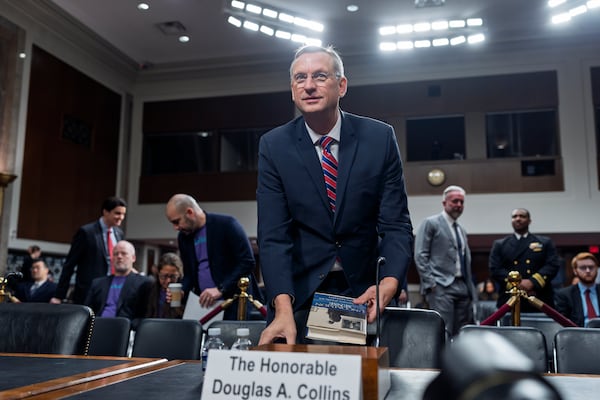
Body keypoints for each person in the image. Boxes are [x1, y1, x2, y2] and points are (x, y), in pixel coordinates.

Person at [256, 45, 413, 344]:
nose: (309, 85)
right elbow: (273, 235)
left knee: (353, 385)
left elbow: (396, 225)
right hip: (296, 293)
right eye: (300, 78)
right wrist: (281, 305)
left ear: (341, 85)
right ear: (292, 89)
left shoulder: (379, 138)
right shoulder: (273, 146)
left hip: (361, 292)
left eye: (320, 76)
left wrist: (389, 282)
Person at [165, 193, 260, 320]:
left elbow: (247, 262)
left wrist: (220, 289)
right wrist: (182, 290)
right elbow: (189, 274)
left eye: (177, 222)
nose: (175, 228)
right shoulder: (184, 237)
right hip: (204, 306)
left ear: (190, 212)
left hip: (234, 302)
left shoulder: (226, 224)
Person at [414, 185, 476, 336]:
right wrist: (431, 283)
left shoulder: (461, 229)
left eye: (461, 202)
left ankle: (457, 360)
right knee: (443, 330)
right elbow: (420, 255)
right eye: (455, 201)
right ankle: (441, 360)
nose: (459, 205)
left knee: (462, 331)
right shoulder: (431, 223)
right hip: (441, 285)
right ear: (444, 203)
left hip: (462, 286)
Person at [51, 196, 127, 305]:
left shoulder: (119, 234)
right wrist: (59, 295)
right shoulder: (86, 232)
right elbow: (70, 264)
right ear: (106, 212)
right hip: (89, 292)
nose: (121, 217)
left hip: (113, 291)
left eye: (123, 214)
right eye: (117, 213)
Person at [489, 208, 560, 312]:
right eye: (514, 216)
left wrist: (533, 282)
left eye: (522, 216)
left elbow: (552, 265)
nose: (518, 219)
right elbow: (495, 269)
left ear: (529, 221)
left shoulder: (544, 242)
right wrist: (517, 284)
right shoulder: (500, 244)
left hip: (538, 297)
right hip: (510, 299)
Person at [84, 241, 152, 320]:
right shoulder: (98, 283)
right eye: (116, 254)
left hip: (126, 328)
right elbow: (87, 310)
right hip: (97, 326)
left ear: (133, 258)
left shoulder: (144, 283)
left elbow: (146, 313)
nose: (119, 256)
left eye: (124, 253)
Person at [555, 252, 600, 327]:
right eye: (583, 268)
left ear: (597, 269)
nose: (588, 271)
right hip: (579, 334)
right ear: (575, 271)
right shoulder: (564, 295)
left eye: (591, 267)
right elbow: (563, 324)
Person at [146, 252, 184, 318]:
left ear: (179, 275)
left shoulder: (183, 291)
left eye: (173, 276)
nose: (168, 280)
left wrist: (179, 304)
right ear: (158, 273)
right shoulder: (150, 288)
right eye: (164, 276)